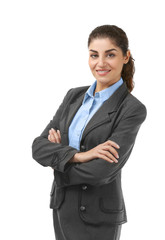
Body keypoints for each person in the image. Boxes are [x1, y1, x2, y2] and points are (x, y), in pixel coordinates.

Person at [32, 24, 147, 240]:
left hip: (97, 216)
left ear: (125, 56)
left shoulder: (131, 109)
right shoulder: (73, 97)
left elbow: (102, 170)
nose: (100, 63)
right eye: (94, 55)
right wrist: (79, 155)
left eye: (110, 54)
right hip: (62, 207)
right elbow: (38, 147)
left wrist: (57, 163)